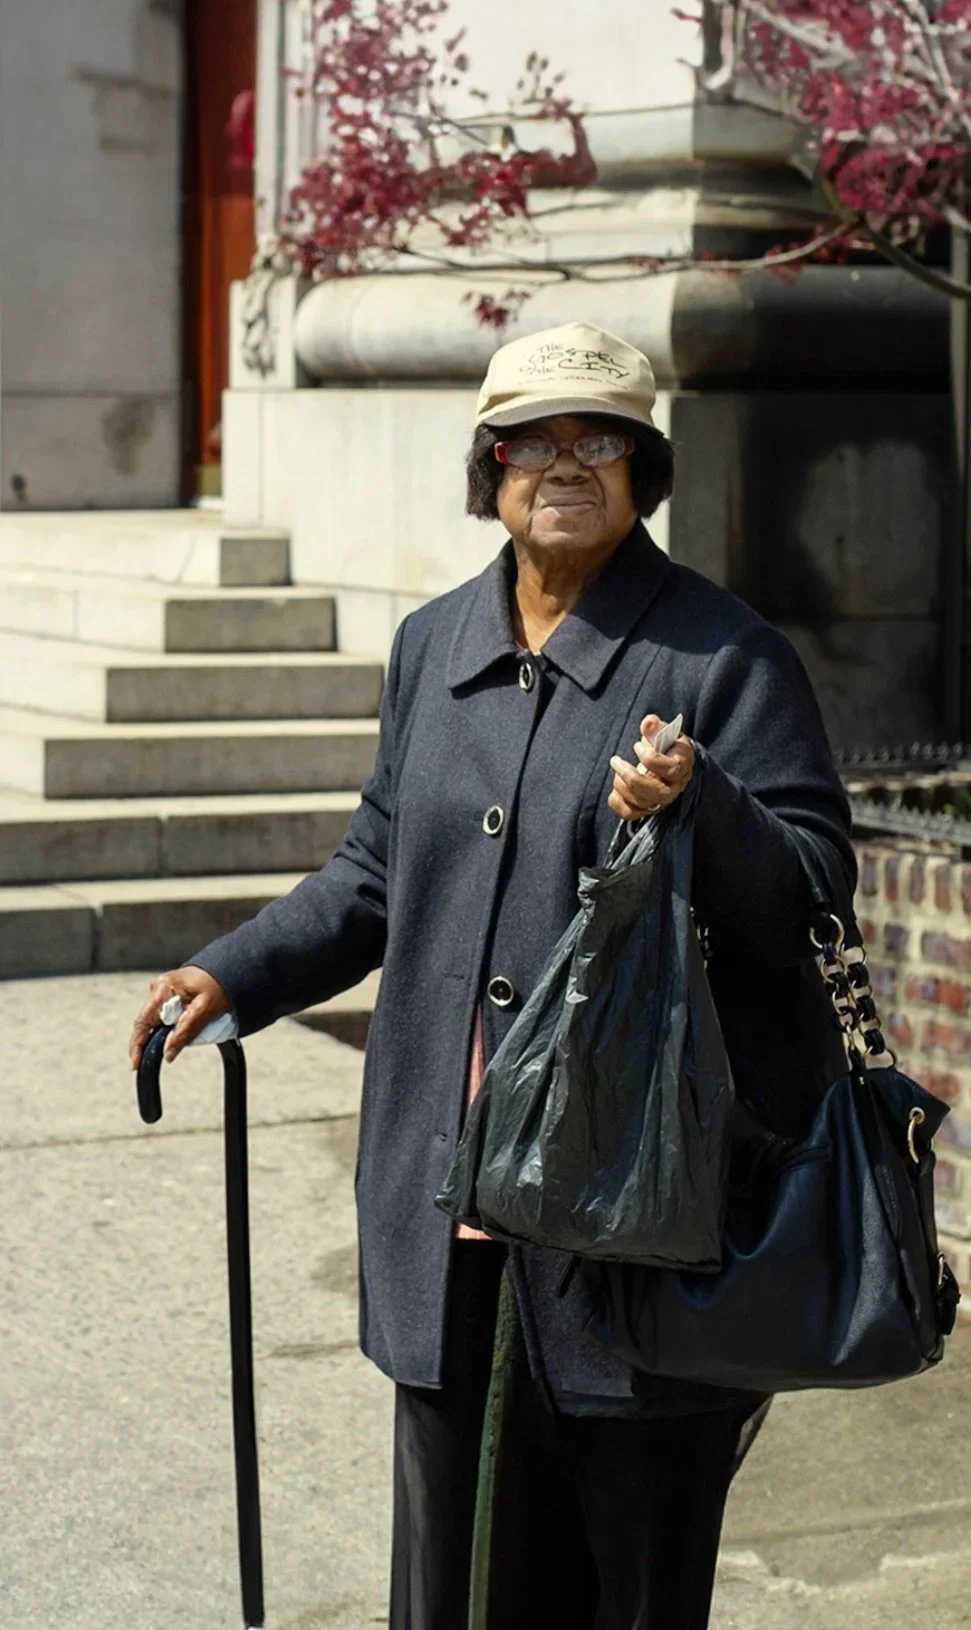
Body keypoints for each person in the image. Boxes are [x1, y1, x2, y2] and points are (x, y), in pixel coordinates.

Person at [129, 320, 855, 1630]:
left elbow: (809, 891)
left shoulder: (721, 658)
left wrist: (703, 807)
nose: (564, 463)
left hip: (636, 1219)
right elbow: (373, 872)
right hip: (449, 1214)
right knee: (452, 1586)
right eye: (534, 440)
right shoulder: (432, 646)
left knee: (624, 1585)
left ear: (642, 468)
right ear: (489, 469)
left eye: (600, 438)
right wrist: (231, 973)